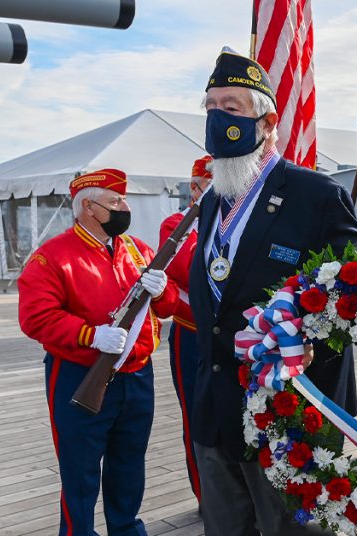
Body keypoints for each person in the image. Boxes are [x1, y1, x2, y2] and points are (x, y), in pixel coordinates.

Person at [187, 49, 357, 536]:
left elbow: (353, 295)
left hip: (291, 418)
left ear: (266, 122)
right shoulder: (212, 203)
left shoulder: (317, 196)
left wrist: (304, 339)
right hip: (216, 416)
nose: (217, 117)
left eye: (232, 106)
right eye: (210, 106)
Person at [17, 168, 179, 535]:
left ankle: (126, 529)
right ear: (87, 207)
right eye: (114, 201)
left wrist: (163, 289)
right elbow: (35, 317)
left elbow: (168, 308)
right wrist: (91, 335)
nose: (123, 207)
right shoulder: (52, 257)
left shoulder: (139, 251)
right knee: (80, 472)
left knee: (129, 463)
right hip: (80, 374)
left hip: (137, 374)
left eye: (123, 200)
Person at [159, 155, 213, 508]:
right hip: (192, 333)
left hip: (235, 337)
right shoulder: (176, 224)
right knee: (196, 418)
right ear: (195, 187)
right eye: (211, 184)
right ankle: (207, 498)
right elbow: (195, 268)